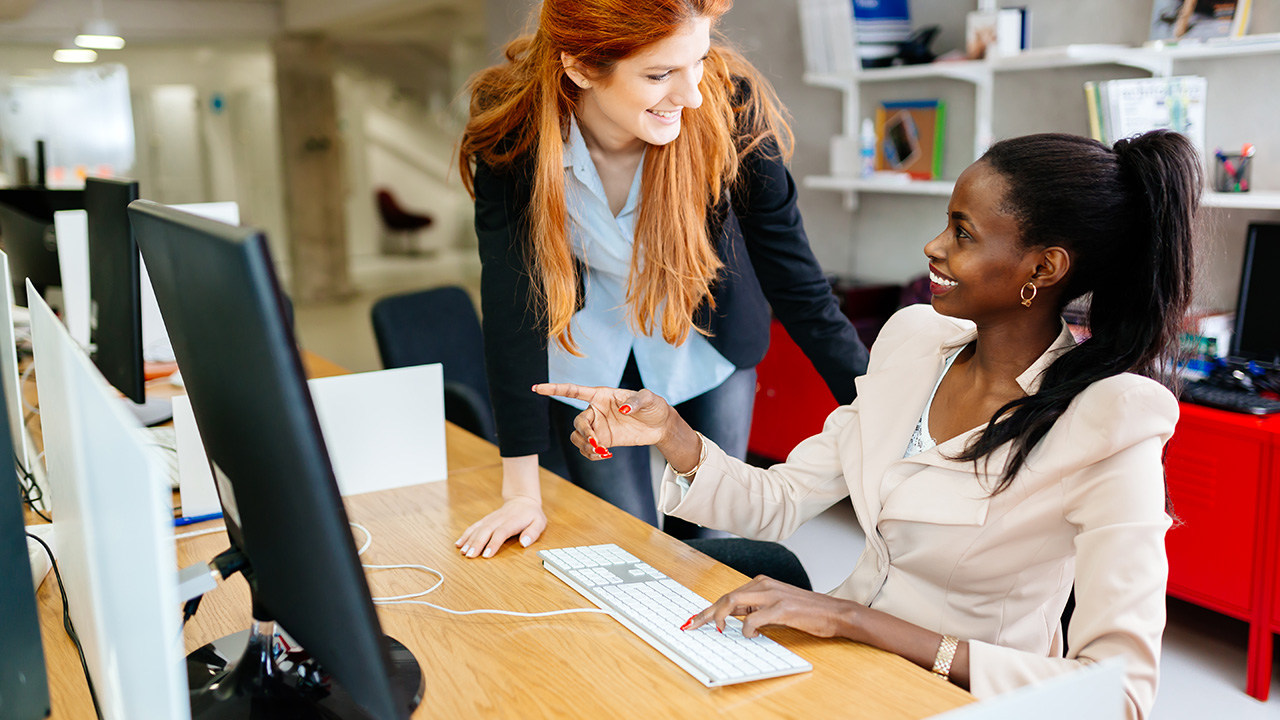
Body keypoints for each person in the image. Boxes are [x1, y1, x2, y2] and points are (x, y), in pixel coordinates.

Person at [535, 130, 1201, 720]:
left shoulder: (1111, 422)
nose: (933, 247)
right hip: (839, 667)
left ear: (1043, 268)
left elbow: (1119, 694)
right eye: (947, 223)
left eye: (963, 233)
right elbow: (782, 499)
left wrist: (853, 617)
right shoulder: (913, 342)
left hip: (959, 700)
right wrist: (671, 436)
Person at [455, 0, 868, 557]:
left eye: (696, 60)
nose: (691, 94)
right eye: (658, 74)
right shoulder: (514, 127)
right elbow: (511, 301)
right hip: (592, 346)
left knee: (710, 539)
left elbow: (799, 284)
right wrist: (521, 492)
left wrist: (882, 414)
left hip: (707, 339)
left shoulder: (729, 110)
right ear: (579, 67)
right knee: (624, 543)